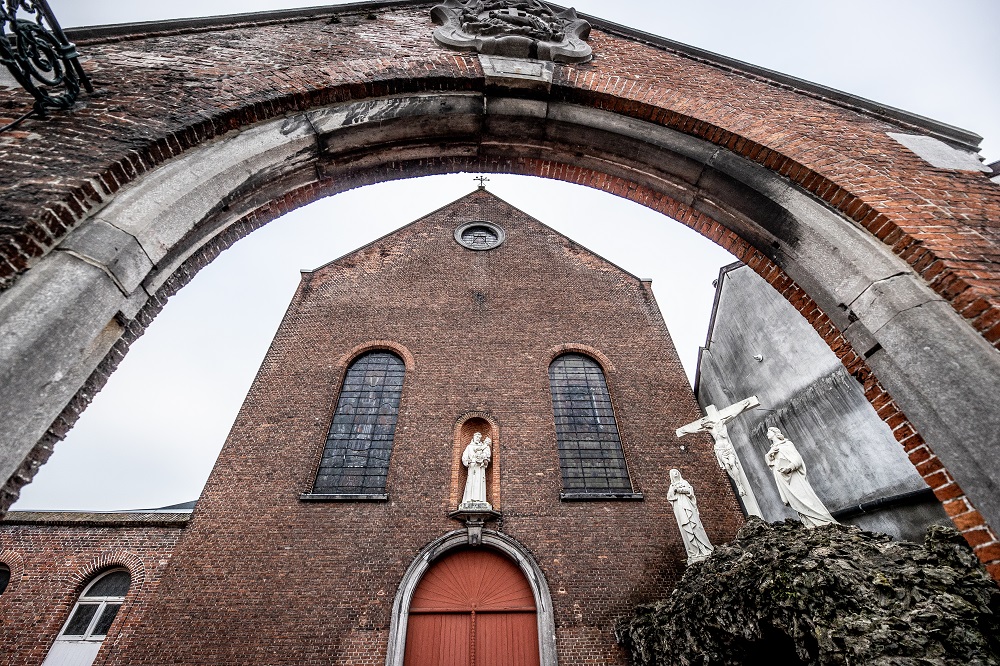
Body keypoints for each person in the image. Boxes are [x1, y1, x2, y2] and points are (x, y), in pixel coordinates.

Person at [764, 427, 837, 528]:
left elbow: (797, 459)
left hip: (793, 476)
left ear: (775, 433)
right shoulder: (772, 448)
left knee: (805, 498)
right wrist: (769, 455)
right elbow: (771, 464)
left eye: (769, 431)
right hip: (782, 478)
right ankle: (810, 525)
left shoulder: (787, 444)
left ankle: (825, 522)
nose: (767, 433)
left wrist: (789, 468)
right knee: (796, 503)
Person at [667, 468, 714, 564]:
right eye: (673, 473)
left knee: (695, 525)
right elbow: (670, 496)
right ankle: (694, 551)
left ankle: (705, 548)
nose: (675, 473)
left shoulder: (684, 482)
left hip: (688, 506)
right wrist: (674, 490)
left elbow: (690, 491)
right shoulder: (671, 486)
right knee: (686, 527)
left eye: (676, 471)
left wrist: (679, 490)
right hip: (680, 509)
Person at [460, 432, 492, 508]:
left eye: (478, 437)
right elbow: (464, 457)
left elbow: (487, 455)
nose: (477, 438)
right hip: (472, 467)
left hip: (480, 468)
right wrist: (468, 461)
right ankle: (469, 500)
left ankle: (480, 500)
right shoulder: (469, 447)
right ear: (473, 437)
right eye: (476, 437)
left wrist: (483, 458)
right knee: (471, 482)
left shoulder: (484, 446)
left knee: (479, 482)